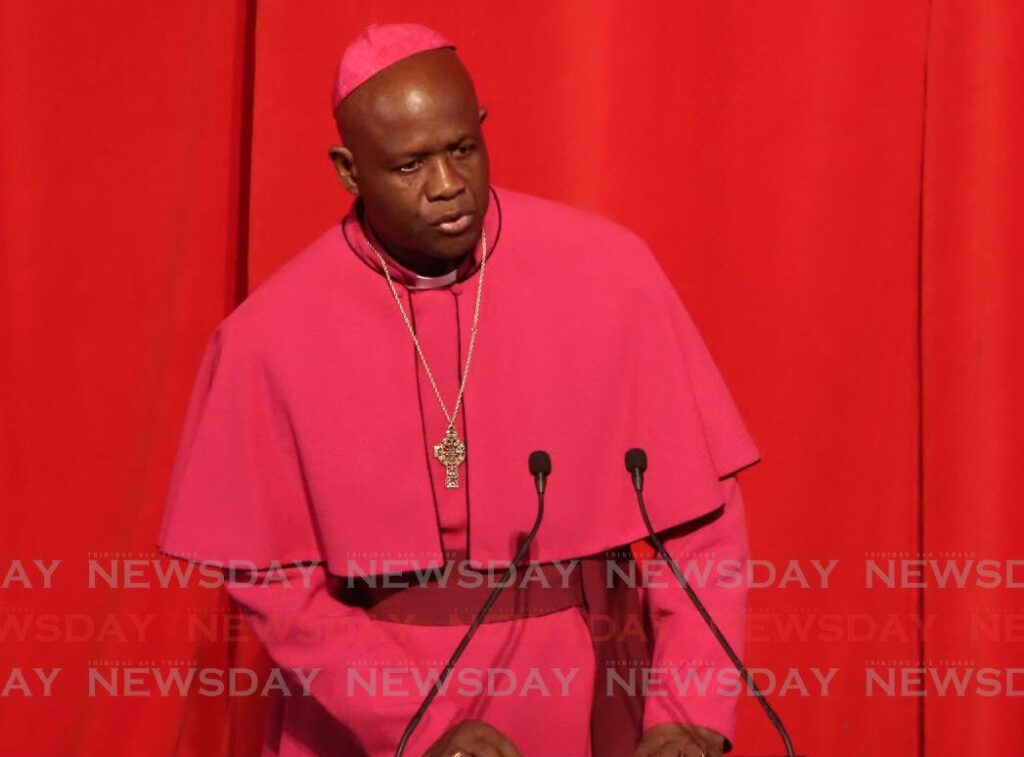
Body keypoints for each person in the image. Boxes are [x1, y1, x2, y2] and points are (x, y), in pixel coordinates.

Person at [158, 21, 760, 757]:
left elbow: (701, 529)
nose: (448, 187)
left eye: (461, 150)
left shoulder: (609, 273)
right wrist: (416, 723)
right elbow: (276, 583)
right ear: (350, 171)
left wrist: (686, 711)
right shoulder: (269, 339)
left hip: (585, 685)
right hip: (369, 703)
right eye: (409, 166)